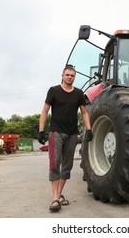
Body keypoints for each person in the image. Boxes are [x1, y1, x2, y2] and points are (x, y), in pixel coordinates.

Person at [38, 64, 92, 212]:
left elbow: (85, 112)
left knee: (67, 166)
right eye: (67, 75)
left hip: (72, 134)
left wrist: (89, 129)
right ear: (62, 75)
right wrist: (41, 131)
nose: (70, 77)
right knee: (55, 164)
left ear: (75, 77)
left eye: (72, 75)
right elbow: (44, 111)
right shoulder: (54, 91)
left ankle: (59, 194)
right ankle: (55, 199)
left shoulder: (79, 93)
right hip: (56, 132)